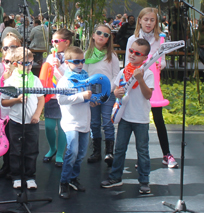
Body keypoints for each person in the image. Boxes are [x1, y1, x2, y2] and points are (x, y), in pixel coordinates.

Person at [125, 7, 178, 168]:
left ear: (156, 22)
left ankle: (166, 154)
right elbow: (129, 63)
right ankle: (142, 156)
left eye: (152, 20)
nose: (149, 23)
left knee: (158, 118)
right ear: (139, 20)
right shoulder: (132, 39)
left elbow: (162, 62)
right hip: (136, 84)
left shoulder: (160, 39)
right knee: (139, 120)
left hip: (153, 85)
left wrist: (158, 63)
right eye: (146, 19)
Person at [101, 39, 154, 194]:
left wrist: (140, 79)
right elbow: (117, 90)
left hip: (141, 119)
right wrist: (117, 92)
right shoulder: (124, 71)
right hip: (125, 117)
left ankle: (144, 181)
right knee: (119, 149)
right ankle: (115, 177)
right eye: (131, 51)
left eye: (137, 53)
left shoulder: (148, 73)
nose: (132, 55)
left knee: (142, 150)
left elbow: (148, 95)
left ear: (145, 57)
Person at [1, 47, 45, 190]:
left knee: (31, 149)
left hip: (31, 122)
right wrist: (16, 100)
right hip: (15, 121)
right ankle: (16, 176)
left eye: (30, 63)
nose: (28, 66)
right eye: (24, 63)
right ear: (15, 64)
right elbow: (3, 101)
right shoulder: (10, 82)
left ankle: (30, 176)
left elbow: (41, 99)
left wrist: (37, 115)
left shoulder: (36, 80)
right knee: (15, 150)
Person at [57, 46, 91, 199]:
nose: (80, 64)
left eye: (82, 61)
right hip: (70, 122)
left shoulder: (87, 78)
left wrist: (93, 100)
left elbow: (90, 97)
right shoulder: (64, 81)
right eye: (76, 61)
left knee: (81, 154)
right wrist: (82, 97)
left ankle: (73, 179)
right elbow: (62, 100)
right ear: (67, 62)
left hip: (84, 121)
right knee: (73, 152)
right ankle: (63, 182)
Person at [83, 24, 119, 166]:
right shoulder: (86, 55)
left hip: (108, 93)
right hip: (92, 93)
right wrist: (92, 95)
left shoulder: (112, 56)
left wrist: (105, 92)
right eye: (99, 33)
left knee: (107, 121)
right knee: (94, 122)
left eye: (106, 35)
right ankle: (96, 151)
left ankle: (109, 152)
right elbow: (84, 75)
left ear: (109, 39)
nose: (102, 36)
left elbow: (116, 76)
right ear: (93, 35)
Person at [0, 33, 22, 177]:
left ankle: (16, 168)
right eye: (6, 47)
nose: (9, 49)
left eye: (13, 46)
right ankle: (5, 164)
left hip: (17, 109)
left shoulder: (22, 67)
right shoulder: (0, 68)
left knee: (16, 141)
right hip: (3, 109)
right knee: (4, 137)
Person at [42, 28, 74, 168]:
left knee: (62, 127)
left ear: (66, 42)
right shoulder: (50, 57)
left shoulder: (71, 57)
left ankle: (60, 153)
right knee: (49, 126)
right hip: (51, 94)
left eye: (56, 41)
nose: (53, 44)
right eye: (52, 41)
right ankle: (52, 148)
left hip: (64, 95)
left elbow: (70, 78)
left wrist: (60, 67)